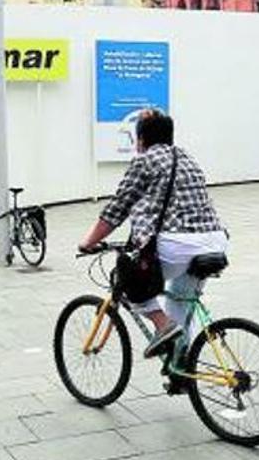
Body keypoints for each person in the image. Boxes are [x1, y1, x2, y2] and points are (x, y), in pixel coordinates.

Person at [78, 110, 228, 370]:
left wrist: (88, 242)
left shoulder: (145, 160)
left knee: (126, 279)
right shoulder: (187, 158)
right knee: (180, 298)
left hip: (177, 246)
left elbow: (118, 208)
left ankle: (163, 325)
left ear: (140, 139)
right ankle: (181, 367)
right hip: (215, 242)